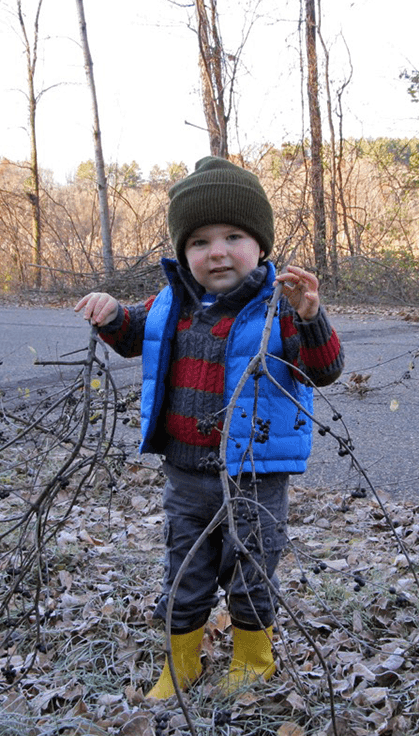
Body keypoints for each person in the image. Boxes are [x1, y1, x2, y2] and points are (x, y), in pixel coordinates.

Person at [75, 156, 345, 700]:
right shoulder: (172, 303)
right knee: (185, 570)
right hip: (186, 473)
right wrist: (109, 314)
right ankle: (182, 663)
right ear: (183, 253)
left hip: (255, 474)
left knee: (251, 567)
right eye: (198, 241)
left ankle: (252, 660)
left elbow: (325, 369)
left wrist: (311, 317)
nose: (216, 251)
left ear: (261, 245)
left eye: (233, 236)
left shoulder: (281, 308)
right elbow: (135, 333)